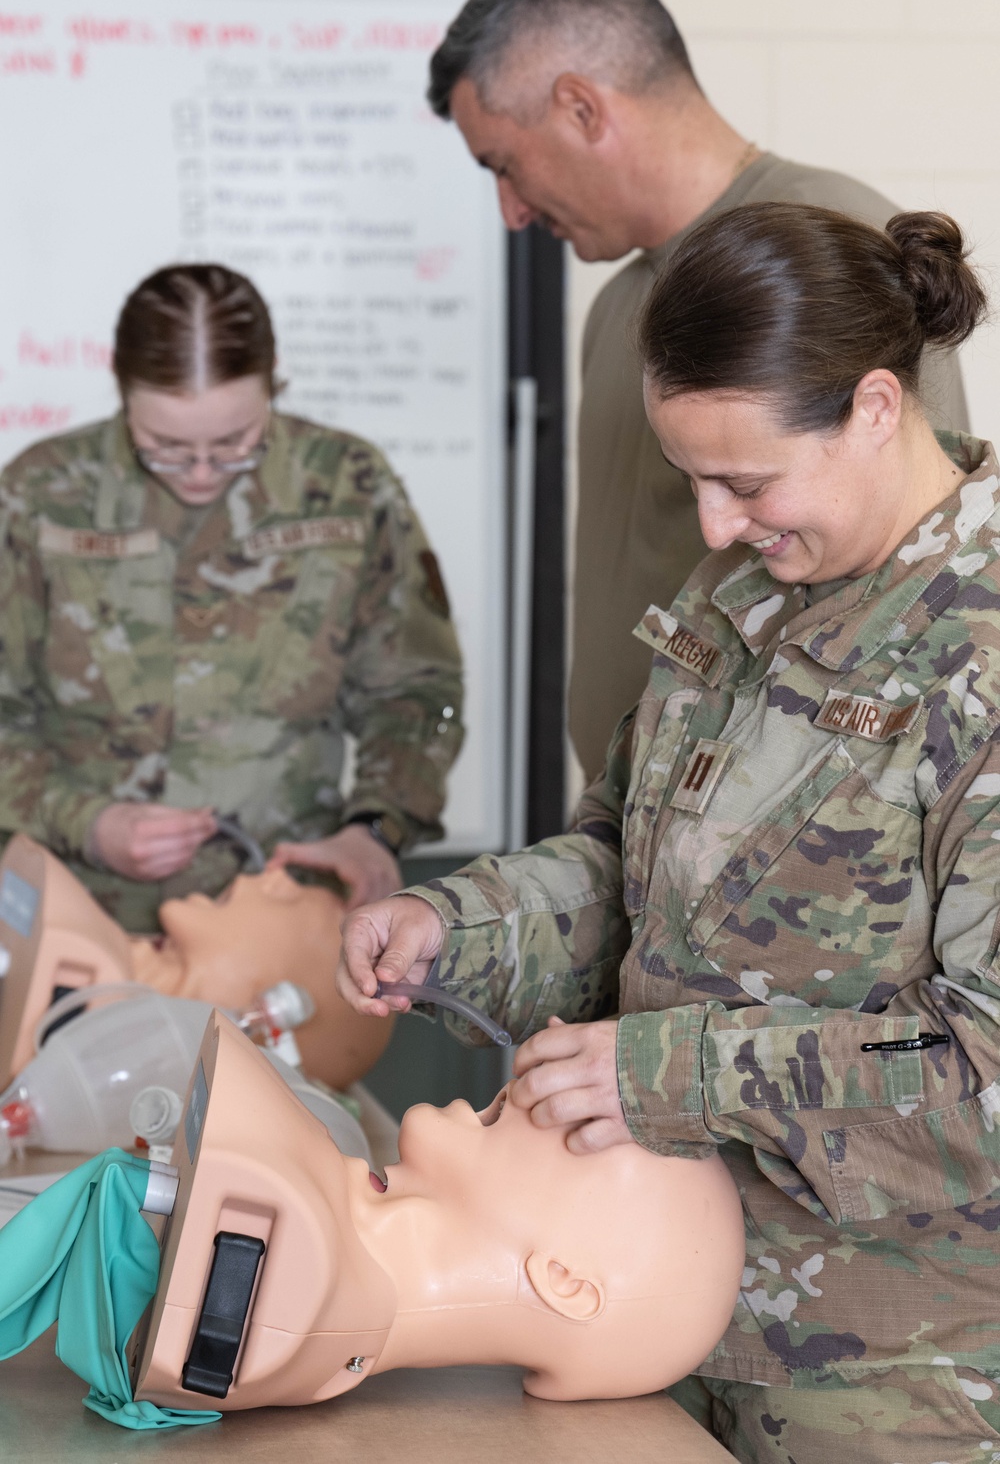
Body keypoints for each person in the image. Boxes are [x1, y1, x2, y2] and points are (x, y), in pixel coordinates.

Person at [339, 205, 1000, 1463]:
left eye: (743, 482)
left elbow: (988, 1071)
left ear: (871, 407)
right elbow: (625, 869)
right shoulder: (752, 583)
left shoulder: (979, 649)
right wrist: (454, 927)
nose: (710, 528)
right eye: (688, 479)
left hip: (890, 1384)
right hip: (649, 1336)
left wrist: (670, 1078)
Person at [428, 0, 970, 780]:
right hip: (640, 834)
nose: (511, 209)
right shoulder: (620, 305)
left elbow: (915, 585)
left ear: (581, 107)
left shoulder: (827, 247)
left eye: (503, 163)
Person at [0, 264, 464, 932]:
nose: (198, 472)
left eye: (232, 444)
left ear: (272, 380)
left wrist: (375, 828)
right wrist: (87, 823)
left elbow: (416, 691)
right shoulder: (41, 494)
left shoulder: (348, 488)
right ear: (123, 391)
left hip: (280, 920)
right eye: (163, 446)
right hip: (78, 922)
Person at [130, 1012, 746, 1416]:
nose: (546, 1088)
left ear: (564, 1282)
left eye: (500, 1110)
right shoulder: (286, 1223)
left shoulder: (283, 1283)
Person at [0, 833, 391, 1089]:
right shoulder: (74, 948)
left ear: (278, 1010)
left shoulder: (73, 957)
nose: (275, 874)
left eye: (300, 897)